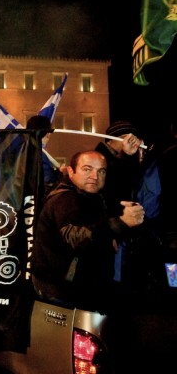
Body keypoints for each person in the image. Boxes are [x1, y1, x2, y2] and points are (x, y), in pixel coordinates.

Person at [30, 150, 145, 312]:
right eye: (87, 169)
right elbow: (75, 238)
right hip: (62, 292)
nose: (95, 176)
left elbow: (94, 225)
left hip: (78, 287)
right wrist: (119, 224)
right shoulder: (65, 199)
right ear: (71, 171)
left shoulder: (90, 196)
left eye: (101, 171)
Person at [94, 121, 144, 287]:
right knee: (110, 276)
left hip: (123, 224)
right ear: (109, 141)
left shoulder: (125, 158)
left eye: (132, 138)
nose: (129, 142)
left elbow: (133, 182)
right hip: (109, 224)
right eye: (123, 138)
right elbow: (114, 186)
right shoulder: (101, 159)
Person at [26, 115, 61, 193]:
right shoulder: (39, 154)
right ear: (47, 133)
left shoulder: (23, 149)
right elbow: (47, 181)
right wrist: (61, 174)